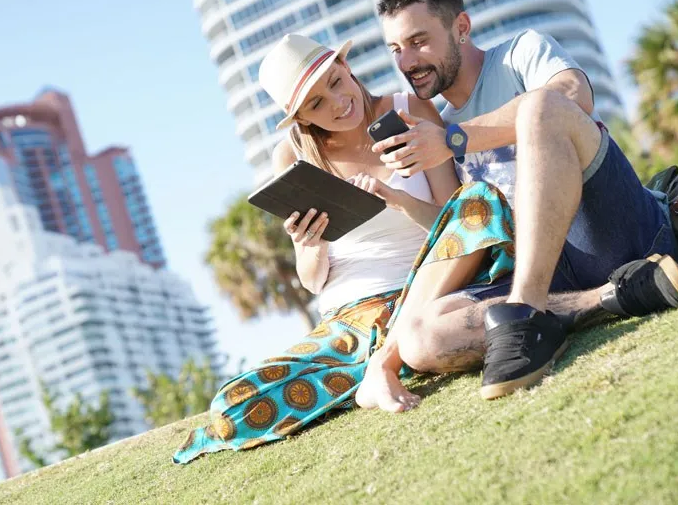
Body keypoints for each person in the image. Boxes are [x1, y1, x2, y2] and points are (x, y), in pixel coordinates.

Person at [173, 33, 516, 464]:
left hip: (420, 292)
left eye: (336, 82)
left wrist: (397, 199)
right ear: (300, 117)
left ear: (347, 67)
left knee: (479, 200)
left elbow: (456, 221)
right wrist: (310, 244)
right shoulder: (293, 157)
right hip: (347, 322)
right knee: (232, 405)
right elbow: (313, 280)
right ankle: (379, 365)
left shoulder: (410, 112)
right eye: (316, 103)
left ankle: (385, 362)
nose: (337, 103)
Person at [357, 0, 678, 409]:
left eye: (419, 41)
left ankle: (527, 312)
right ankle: (614, 297)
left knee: (540, 106)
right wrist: (398, 201)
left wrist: (456, 139)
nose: (407, 61)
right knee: (419, 337)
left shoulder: (521, 52)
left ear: (461, 28)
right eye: (396, 49)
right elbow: (468, 228)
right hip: (549, 271)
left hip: (611, 228)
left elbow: (571, 96)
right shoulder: (434, 121)